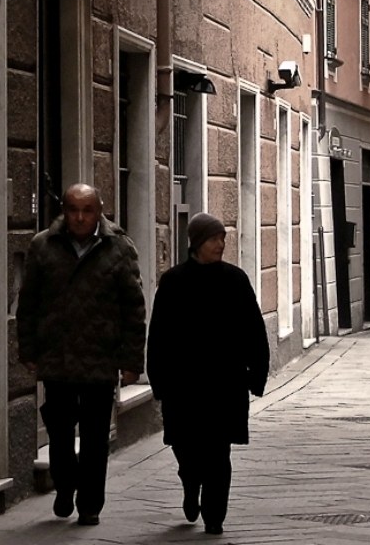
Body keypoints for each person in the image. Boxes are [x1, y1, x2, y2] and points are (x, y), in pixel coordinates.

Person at [16, 183, 146, 526]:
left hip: (99, 359)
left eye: (87, 210)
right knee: (59, 435)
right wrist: (28, 349)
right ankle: (63, 483)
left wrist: (132, 362)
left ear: (99, 211)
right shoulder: (43, 246)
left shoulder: (118, 248)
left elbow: (134, 308)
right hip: (56, 358)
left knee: (94, 438)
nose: (79, 217)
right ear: (63, 210)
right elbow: (27, 303)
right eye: (72, 209)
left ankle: (90, 504)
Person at [147, 212, 270, 536]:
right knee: (185, 447)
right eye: (215, 238)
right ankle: (190, 483)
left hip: (224, 383)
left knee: (218, 452)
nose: (221, 244)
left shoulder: (235, 279)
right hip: (182, 385)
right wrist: (157, 379)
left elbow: (254, 329)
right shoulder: (173, 282)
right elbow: (158, 334)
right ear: (197, 242)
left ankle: (214, 515)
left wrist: (257, 373)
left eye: (223, 238)